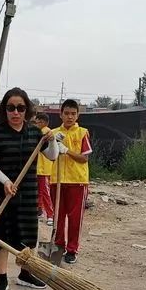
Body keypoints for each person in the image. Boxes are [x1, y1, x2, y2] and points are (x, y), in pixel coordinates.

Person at [0, 88, 58, 290]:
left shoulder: (35, 133)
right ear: (4, 110)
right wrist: (6, 181)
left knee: (27, 235)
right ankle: (2, 278)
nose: (15, 112)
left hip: (27, 193)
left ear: (27, 110)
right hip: (2, 192)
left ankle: (25, 274)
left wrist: (51, 140)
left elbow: (52, 156)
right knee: (1, 236)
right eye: (10, 108)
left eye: (20, 108)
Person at [51, 99, 92, 265]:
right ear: (61, 114)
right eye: (66, 113)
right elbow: (49, 155)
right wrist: (54, 144)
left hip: (77, 181)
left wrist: (67, 150)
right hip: (57, 180)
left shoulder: (83, 132)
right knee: (58, 217)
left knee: (75, 218)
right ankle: (59, 245)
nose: (69, 117)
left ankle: (72, 249)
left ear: (78, 115)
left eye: (73, 114)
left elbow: (84, 158)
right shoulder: (53, 133)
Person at [34, 112, 54, 226]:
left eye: (39, 122)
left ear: (44, 122)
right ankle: (39, 211)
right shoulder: (39, 132)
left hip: (43, 168)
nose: (37, 124)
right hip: (38, 167)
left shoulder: (46, 132)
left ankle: (50, 215)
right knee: (39, 191)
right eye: (36, 122)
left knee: (45, 192)